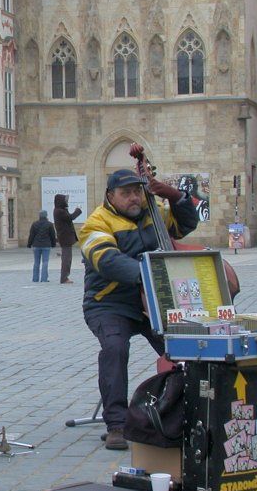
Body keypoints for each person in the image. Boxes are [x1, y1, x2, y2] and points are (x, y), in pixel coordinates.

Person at [78, 168, 197, 450]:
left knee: (185, 348)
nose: (134, 198)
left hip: (152, 300)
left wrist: (176, 196)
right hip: (109, 303)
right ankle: (117, 425)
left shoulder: (152, 211)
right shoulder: (95, 223)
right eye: (126, 193)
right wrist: (152, 274)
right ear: (110, 196)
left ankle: (189, 411)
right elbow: (107, 261)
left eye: (137, 191)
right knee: (115, 350)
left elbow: (186, 225)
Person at [53, 194, 82, 284]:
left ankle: (65, 277)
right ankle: (64, 278)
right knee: (66, 259)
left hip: (65, 238)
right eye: (65, 200)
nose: (66, 202)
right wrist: (78, 210)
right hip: (65, 238)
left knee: (67, 258)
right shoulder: (59, 211)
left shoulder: (61, 210)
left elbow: (68, 217)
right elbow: (70, 217)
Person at [27, 210, 57, 282]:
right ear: (46, 216)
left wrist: (29, 244)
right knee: (45, 262)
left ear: (39, 216)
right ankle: (44, 279)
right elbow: (52, 235)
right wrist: (53, 244)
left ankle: (35, 278)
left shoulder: (34, 224)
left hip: (36, 245)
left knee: (36, 262)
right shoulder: (49, 224)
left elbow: (31, 235)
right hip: (46, 245)